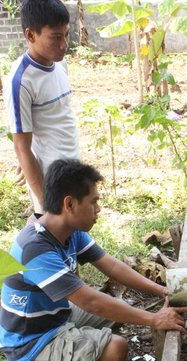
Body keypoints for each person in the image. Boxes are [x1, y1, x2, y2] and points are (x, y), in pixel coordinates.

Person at [0, 159, 187, 361]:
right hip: (31, 343)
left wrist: (162, 291)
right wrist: (154, 319)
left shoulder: (68, 230)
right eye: (93, 201)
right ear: (69, 204)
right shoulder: (35, 248)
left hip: (55, 317)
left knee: (120, 311)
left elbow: (111, 266)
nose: (99, 208)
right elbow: (91, 302)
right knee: (116, 349)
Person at [3, 0, 78, 215]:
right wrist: (47, 205)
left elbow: (58, 117)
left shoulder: (60, 63)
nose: (64, 44)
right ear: (30, 35)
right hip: (51, 180)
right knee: (56, 241)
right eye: (55, 37)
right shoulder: (20, 81)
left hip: (73, 166)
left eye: (66, 34)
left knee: (75, 238)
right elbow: (21, 147)